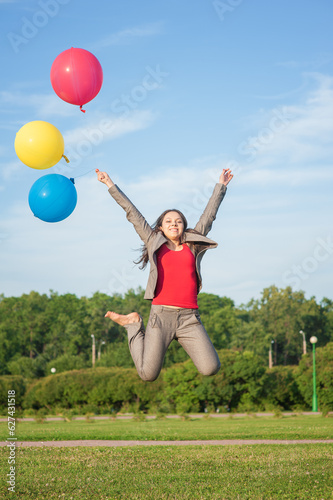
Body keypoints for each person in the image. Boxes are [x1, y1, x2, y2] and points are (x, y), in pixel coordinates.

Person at [96, 167, 233, 381]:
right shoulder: (154, 242)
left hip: (189, 318)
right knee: (147, 375)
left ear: (184, 227)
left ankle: (137, 325)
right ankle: (133, 325)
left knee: (210, 367)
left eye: (178, 221)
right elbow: (131, 212)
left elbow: (209, 216)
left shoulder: (192, 245)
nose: (174, 224)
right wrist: (110, 184)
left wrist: (221, 187)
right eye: (168, 221)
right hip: (160, 318)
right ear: (160, 227)